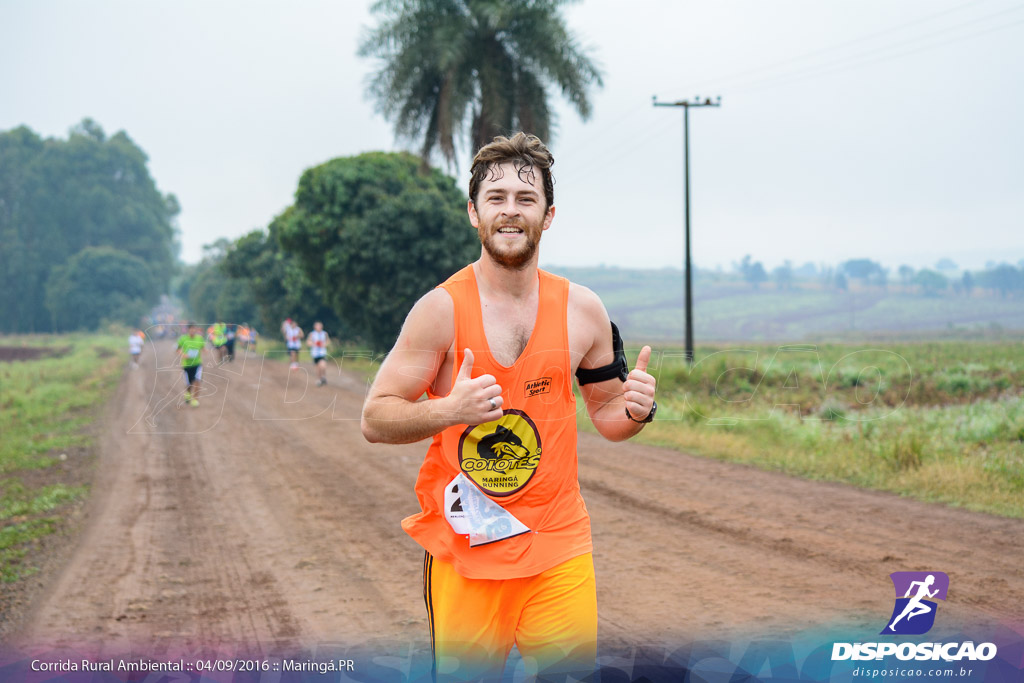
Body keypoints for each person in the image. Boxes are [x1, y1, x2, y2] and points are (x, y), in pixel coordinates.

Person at [361, 133, 657, 680]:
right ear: (474, 213)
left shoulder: (583, 311)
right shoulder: (439, 311)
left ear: (548, 216)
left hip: (558, 543)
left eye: (526, 198)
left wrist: (636, 410)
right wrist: (448, 410)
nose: (510, 211)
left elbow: (608, 417)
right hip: (469, 547)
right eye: (495, 198)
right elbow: (376, 417)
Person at [176, 322, 206, 407]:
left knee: (197, 381)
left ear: (196, 330)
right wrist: (183, 354)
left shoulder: (199, 338)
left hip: (197, 364)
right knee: (189, 383)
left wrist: (205, 350)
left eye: (194, 329)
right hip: (187, 365)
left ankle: (195, 400)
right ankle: (188, 393)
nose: (193, 331)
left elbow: (203, 347)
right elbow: (177, 349)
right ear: (188, 330)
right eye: (191, 329)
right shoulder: (183, 339)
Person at [306, 321, 330, 386]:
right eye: (317, 326)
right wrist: (314, 344)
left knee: (323, 365)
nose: (319, 327)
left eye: (320, 326)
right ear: (315, 327)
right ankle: (319, 379)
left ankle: (323, 377)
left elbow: (328, 341)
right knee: (318, 367)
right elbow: (308, 342)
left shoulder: (324, 333)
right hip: (315, 353)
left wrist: (325, 344)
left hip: (322, 352)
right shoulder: (312, 334)